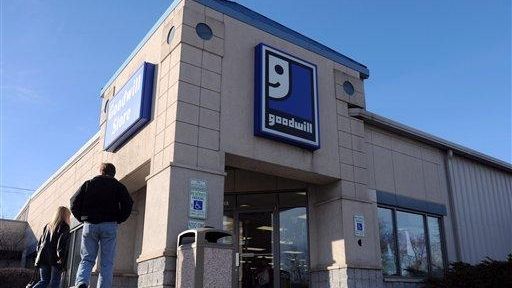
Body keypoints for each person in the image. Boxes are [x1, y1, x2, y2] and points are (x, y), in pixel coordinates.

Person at [70, 163, 133, 288]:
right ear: (113, 173)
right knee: (107, 262)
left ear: (101, 172)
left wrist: (83, 218)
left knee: (87, 258)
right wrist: (119, 219)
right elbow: (128, 204)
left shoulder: (88, 184)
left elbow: (73, 202)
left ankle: (82, 282)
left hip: (90, 225)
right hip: (109, 225)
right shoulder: (118, 186)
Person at [33, 206, 71, 288]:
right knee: (55, 282)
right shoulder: (64, 226)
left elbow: (39, 244)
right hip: (56, 259)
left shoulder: (47, 226)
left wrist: (38, 255)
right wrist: (61, 257)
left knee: (43, 281)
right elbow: (62, 243)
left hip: (43, 258)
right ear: (65, 215)